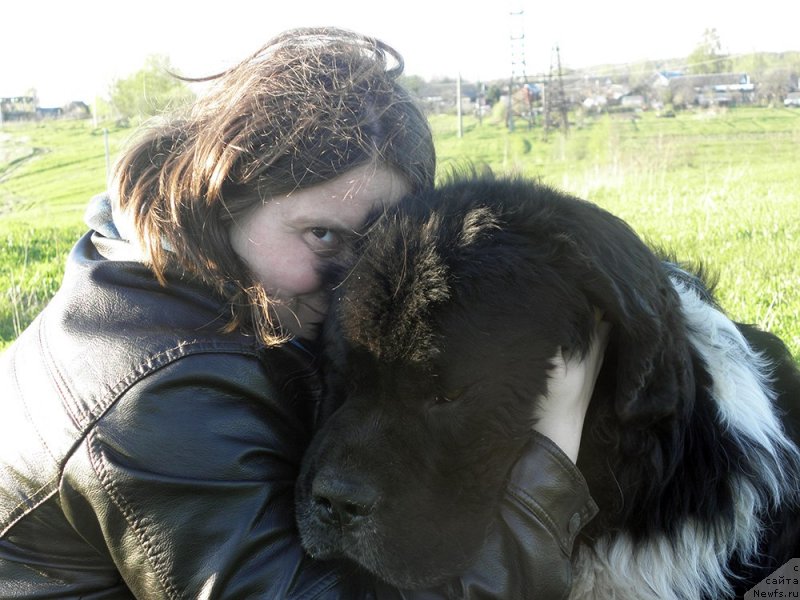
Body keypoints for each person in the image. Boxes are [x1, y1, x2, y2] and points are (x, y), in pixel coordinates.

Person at [0, 27, 605, 599]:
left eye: (371, 249)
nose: (349, 284)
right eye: (323, 235)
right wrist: (553, 447)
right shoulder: (159, 392)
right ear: (227, 194)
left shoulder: (158, 276)